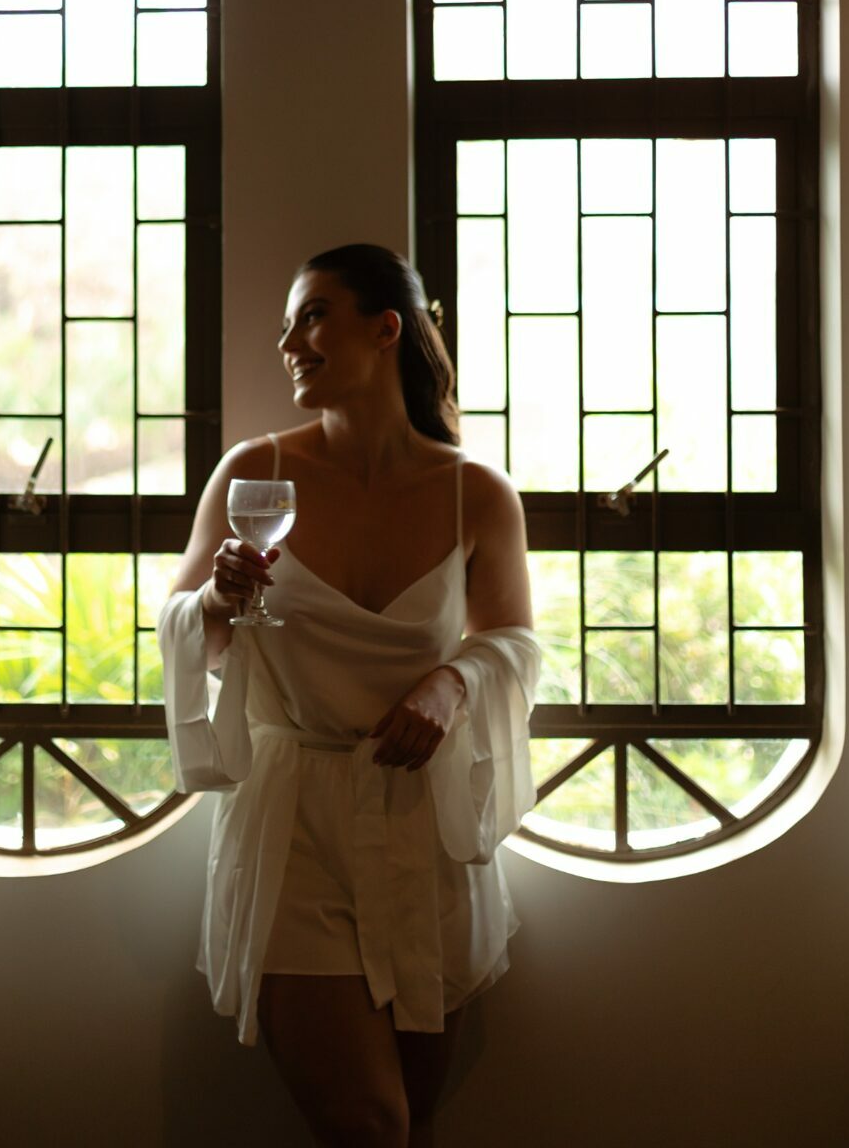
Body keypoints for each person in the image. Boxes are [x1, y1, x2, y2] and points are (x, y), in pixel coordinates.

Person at [158, 244, 539, 1148]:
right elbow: (183, 626)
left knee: (412, 1120)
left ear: (385, 329)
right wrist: (217, 600)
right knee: (367, 1122)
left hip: (421, 820)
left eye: (313, 316)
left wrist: (450, 683)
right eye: (287, 325)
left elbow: (513, 643)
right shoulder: (255, 473)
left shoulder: (475, 494)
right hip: (294, 822)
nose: (288, 342)